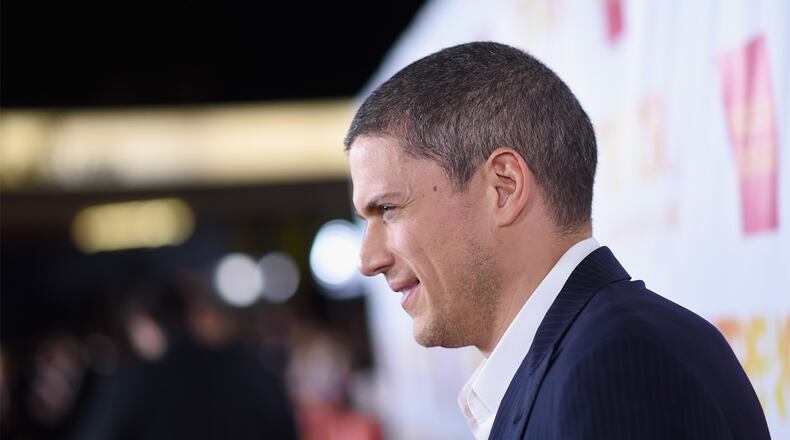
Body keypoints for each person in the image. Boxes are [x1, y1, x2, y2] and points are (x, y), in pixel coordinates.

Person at [345, 42, 770, 439]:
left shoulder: (614, 365)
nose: (367, 260)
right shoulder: (583, 356)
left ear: (504, 188)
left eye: (388, 208)